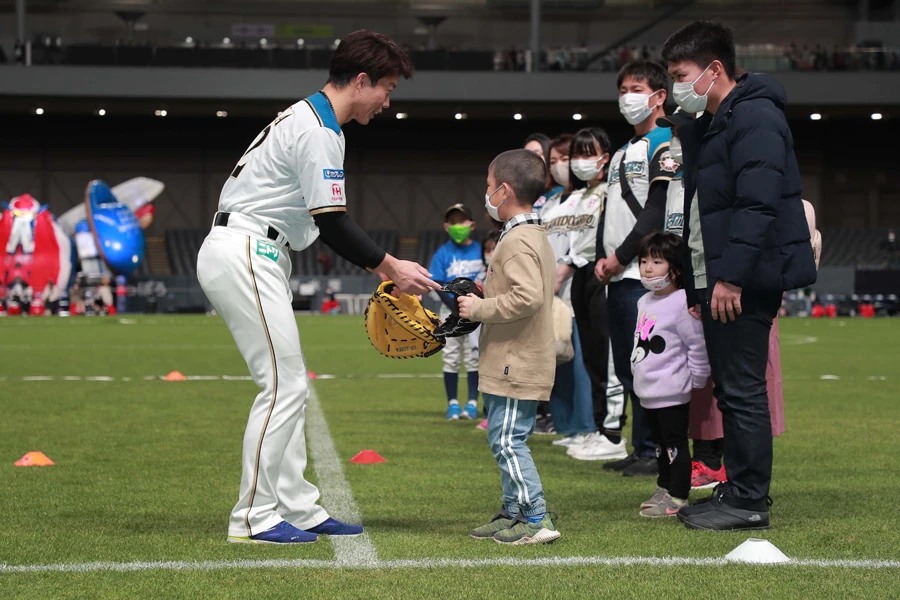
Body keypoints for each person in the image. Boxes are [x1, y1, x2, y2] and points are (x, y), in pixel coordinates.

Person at [196, 30, 439, 545]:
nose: (387, 102)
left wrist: (386, 267)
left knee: (290, 386)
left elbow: (323, 220)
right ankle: (254, 516)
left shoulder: (309, 117)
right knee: (282, 386)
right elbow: (331, 222)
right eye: (386, 88)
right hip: (247, 249)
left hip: (255, 249)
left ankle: (298, 507)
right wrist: (391, 266)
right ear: (360, 80)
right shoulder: (319, 129)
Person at [662, 21, 816, 530]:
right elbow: (708, 209)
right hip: (717, 276)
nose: (675, 87)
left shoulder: (755, 116)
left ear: (714, 70)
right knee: (731, 388)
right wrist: (697, 282)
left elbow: (757, 202)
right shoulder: (715, 122)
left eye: (681, 75)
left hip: (742, 278)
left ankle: (749, 500)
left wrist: (729, 277)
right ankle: (739, 487)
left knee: (744, 388)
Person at [459, 149, 560, 545]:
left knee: (507, 439)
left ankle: (535, 515)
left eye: (488, 186)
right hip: (509, 356)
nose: (486, 194)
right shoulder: (527, 235)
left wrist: (480, 306)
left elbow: (529, 296)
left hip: (518, 360)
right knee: (501, 436)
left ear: (504, 191)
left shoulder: (518, 240)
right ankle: (514, 510)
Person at [595, 59, 677, 478]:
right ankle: (642, 446)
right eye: (623, 88)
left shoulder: (667, 142)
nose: (628, 96)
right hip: (618, 274)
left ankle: (654, 451)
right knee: (630, 366)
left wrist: (620, 258)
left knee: (647, 365)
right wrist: (601, 256)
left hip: (642, 274)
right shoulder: (624, 150)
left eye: (636, 88)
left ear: (659, 96)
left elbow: (655, 212)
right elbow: (610, 215)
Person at [549, 128, 628, 462]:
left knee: (608, 359)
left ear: (604, 157)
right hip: (580, 275)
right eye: (576, 154)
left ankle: (613, 433)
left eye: (586, 153)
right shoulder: (578, 197)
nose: (580, 161)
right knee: (593, 358)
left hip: (603, 273)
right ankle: (596, 429)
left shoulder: (613, 190)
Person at [632, 232, 710, 517]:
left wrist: (697, 379)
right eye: (643, 261)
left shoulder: (682, 303)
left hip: (672, 390)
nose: (647, 268)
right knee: (659, 446)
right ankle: (664, 487)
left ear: (675, 269)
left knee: (675, 445)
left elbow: (696, 345)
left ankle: (678, 495)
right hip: (648, 391)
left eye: (656, 261)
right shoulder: (644, 302)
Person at [539, 135, 596, 443]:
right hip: (550, 292)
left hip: (577, 287)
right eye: (553, 161)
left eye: (565, 159)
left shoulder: (590, 195)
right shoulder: (550, 201)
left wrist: (563, 271)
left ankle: (587, 426)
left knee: (580, 361)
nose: (559, 166)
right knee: (557, 359)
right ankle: (566, 425)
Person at [429, 203, 484, 421]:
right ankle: (452, 403)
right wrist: (454, 306)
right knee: (451, 356)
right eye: (452, 222)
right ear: (446, 226)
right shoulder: (443, 253)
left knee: (474, 357)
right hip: (450, 312)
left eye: (461, 221)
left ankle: (472, 403)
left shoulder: (481, 250)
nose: (457, 226)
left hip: (477, 312)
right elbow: (437, 282)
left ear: (472, 224)